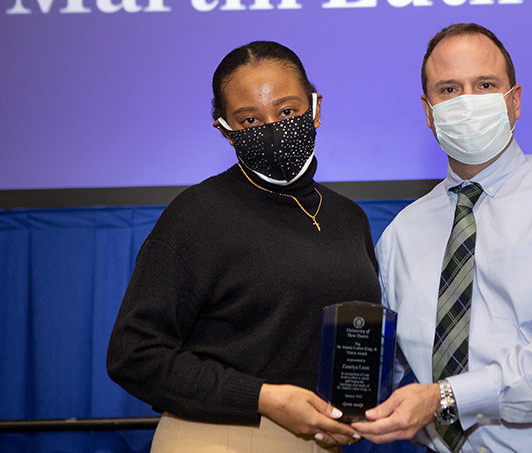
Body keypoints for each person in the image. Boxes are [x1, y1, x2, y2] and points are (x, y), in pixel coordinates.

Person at [352, 24, 532, 453]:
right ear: (428, 112)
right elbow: (375, 371)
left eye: (484, 85)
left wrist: (445, 397)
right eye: (449, 89)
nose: (467, 101)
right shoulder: (401, 236)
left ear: (514, 101)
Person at [106, 41, 379, 453]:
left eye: (287, 111)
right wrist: (262, 397)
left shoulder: (349, 217)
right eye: (250, 120)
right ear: (225, 130)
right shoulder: (198, 214)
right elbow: (134, 354)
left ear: (316, 108)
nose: (272, 128)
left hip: (325, 441)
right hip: (221, 437)